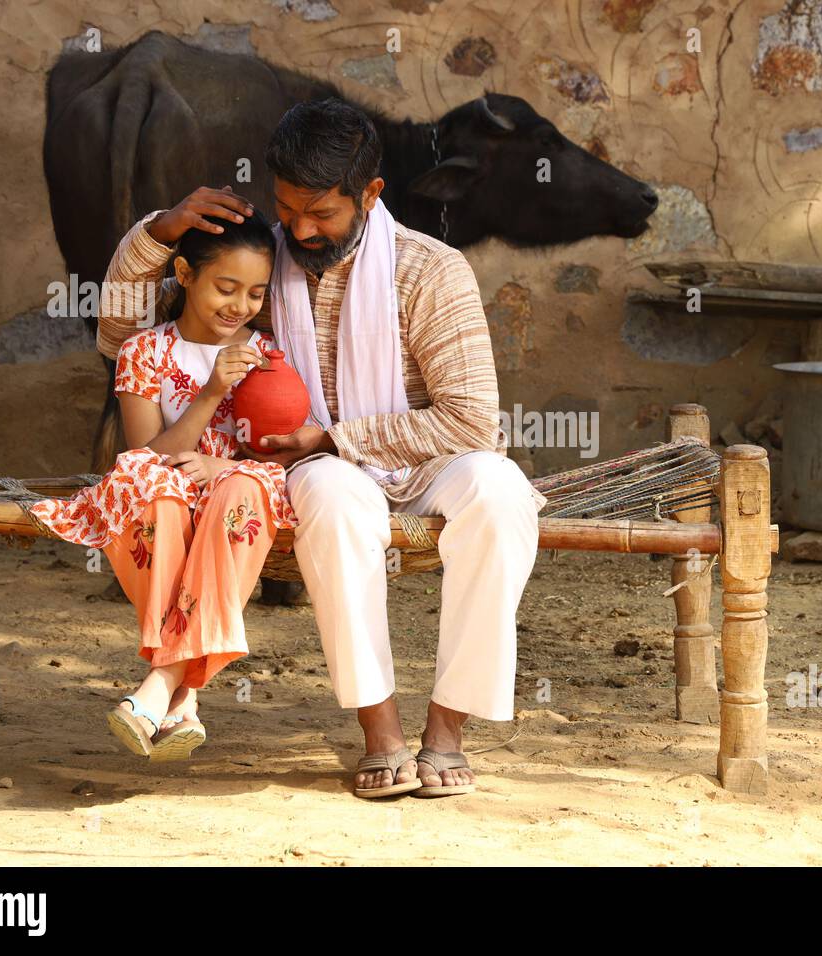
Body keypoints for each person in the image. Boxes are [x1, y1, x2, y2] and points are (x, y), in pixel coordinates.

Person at [97, 99, 545, 797]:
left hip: (428, 459)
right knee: (334, 497)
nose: (302, 230)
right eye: (289, 209)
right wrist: (161, 230)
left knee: (502, 493)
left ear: (370, 195)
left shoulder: (431, 270)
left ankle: (448, 733)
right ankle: (382, 734)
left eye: (323, 214)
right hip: (312, 470)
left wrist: (336, 434)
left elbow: (469, 418)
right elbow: (121, 338)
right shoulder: (259, 267)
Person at [31, 205, 297, 761]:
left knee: (243, 490)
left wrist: (223, 467)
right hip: (167, 489)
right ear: (184, 275)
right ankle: (185, 698)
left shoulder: (269, 357)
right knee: (152, 485)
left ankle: (161, 684)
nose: (240, 306)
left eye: (255, 293)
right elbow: (145, 453)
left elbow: (274, 454)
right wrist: (210, 395)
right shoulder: (144, 352)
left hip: (233, 488)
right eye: (226, 287)